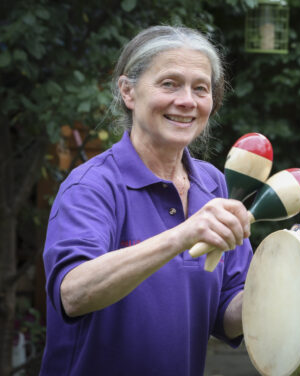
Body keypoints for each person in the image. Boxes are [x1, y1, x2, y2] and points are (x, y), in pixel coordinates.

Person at [41, 26, 253, 376]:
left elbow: (226, 315)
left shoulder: (214, 183)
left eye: (200, 88)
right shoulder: (91, 186)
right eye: (169, 83)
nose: (187, 100)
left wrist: (286, 286)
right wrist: (183, 235)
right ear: (128, 91)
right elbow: (73, 293)